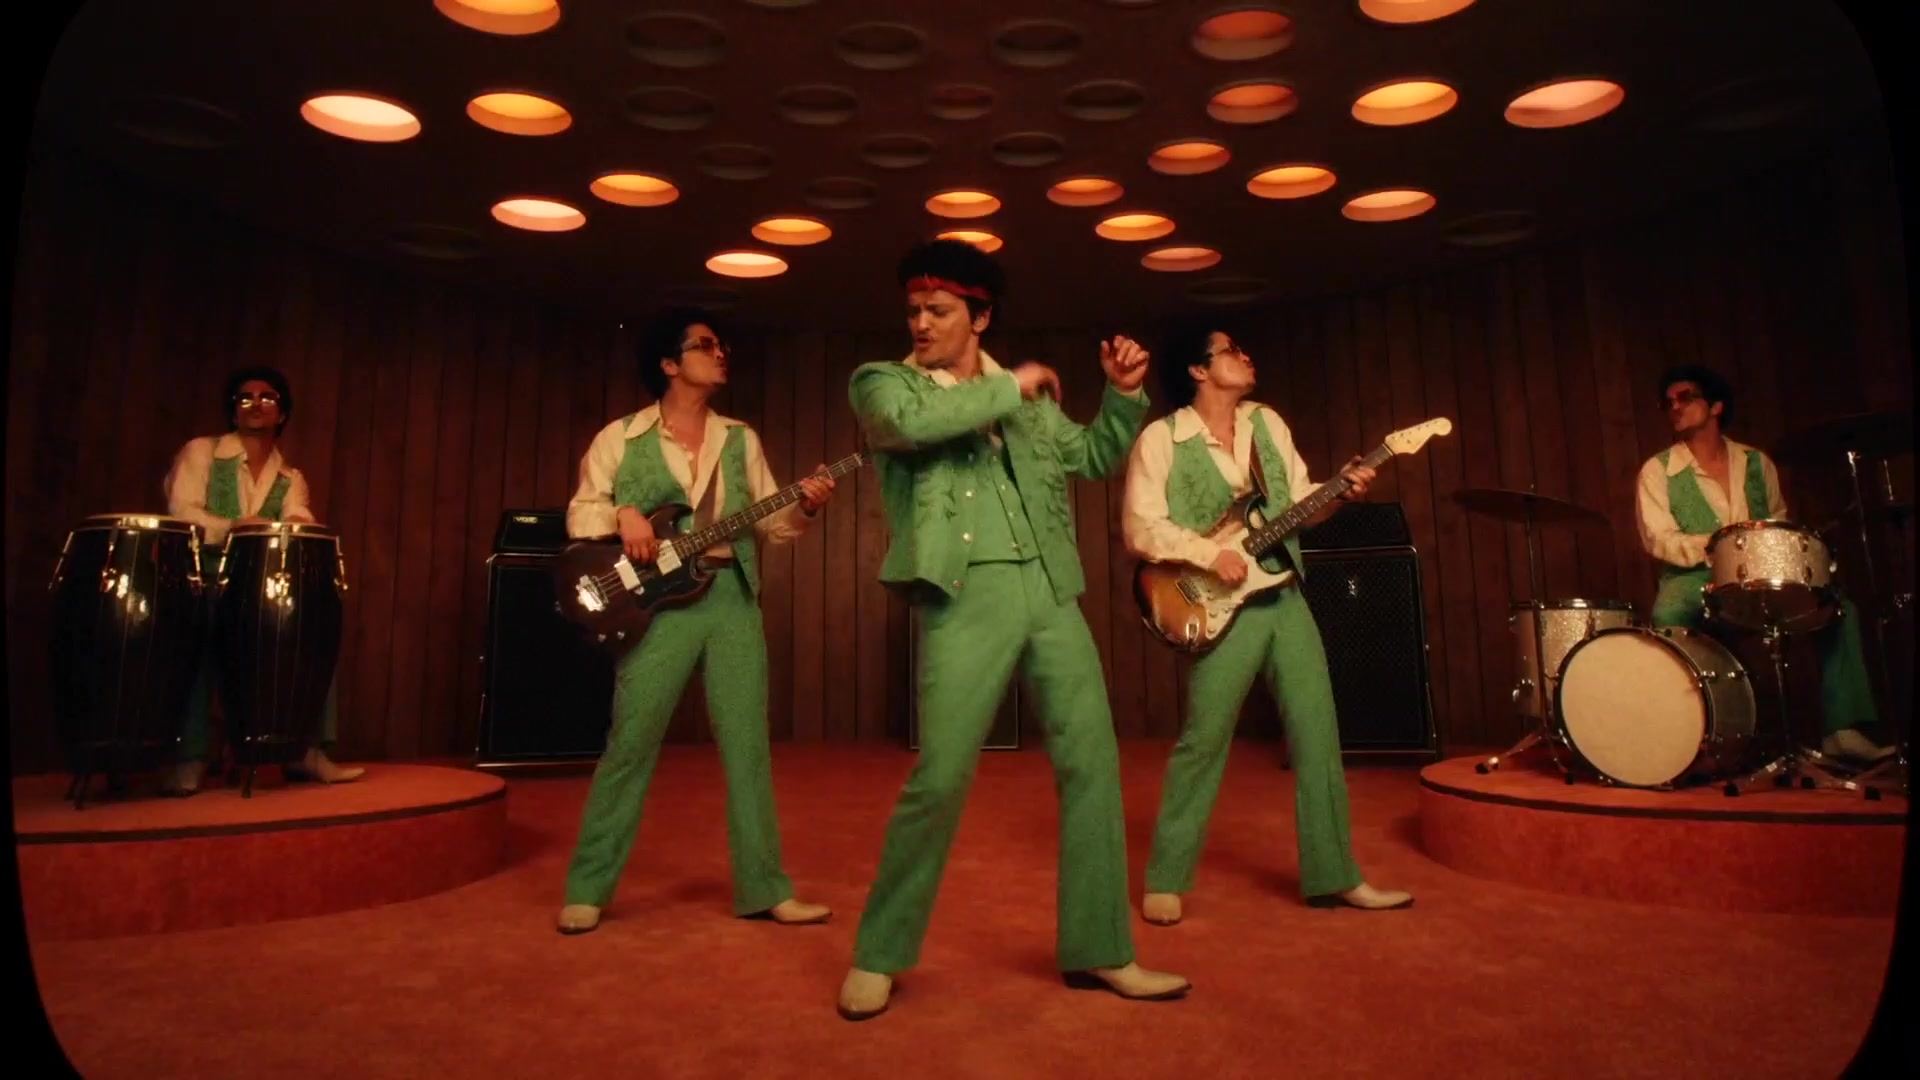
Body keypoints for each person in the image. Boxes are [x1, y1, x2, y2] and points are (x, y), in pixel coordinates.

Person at [835, 239, 1189, 1022]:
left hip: (1051, 588)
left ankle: (1101, 949)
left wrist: (1123, 394)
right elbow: (910, 424)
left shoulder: (1024, 396)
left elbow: (1092, 456)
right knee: (942, 775)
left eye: (939, 311)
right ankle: (880, 953)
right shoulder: (884, 382)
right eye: (914, 311)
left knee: (1092, 765)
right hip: (966, 593)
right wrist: (1010, 385)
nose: (921, 323)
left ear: (980, 316)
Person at [556, 307, 838, 935]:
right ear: (668, 363)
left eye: (721, 345)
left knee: (748, 745)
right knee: (631, 742)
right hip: (659, 606)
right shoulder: (620, 437)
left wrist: (807, 506)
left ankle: (765, 888)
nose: (720, 353)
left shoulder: (741, 438)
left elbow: (775, 526)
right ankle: (588, 887)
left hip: (731, 597)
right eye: (705, 345)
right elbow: (581, 511)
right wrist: (623, 514)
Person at [1122, 326, 1414, 927]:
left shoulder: (1267, 424)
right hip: (1219, 605)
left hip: (1283, 595)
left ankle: (1335, 875)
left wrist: (1340, 493)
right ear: (1199, 370)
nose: (1245, 355)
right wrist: (1210, 555)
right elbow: (1141, 527)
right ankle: (1166, 878)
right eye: (1230, 350)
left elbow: (1299, 504)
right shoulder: (1162, 438)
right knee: (1204, 742)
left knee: (1318, 734)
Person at [1635, 365, 1891, 762]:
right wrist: (1718, 546)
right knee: (1668, 612)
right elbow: (1659, 538)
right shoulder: (1658, 470)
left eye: (1685, 397)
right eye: (1667, 402)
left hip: (1759, 571)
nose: (1674, 407)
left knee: (1838, 608)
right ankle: (1687, 736)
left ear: (1716, 406)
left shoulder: (1757, 463)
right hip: (1695, 576)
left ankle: (1841, 729)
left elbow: (1777, 518)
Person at [162, 366, 363, 795]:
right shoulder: (202, 453)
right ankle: (191, 757)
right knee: (198, 637)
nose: (255, 404)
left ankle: (305, 750)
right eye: (245, 398)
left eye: (267, 397)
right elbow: (182, 511)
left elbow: (298, 517)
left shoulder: (290, 478)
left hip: (255, 589)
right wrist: (234, 526)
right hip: (202, 578)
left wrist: (296, 526)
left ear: (282, 414)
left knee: (311, 628)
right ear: (234, 411)